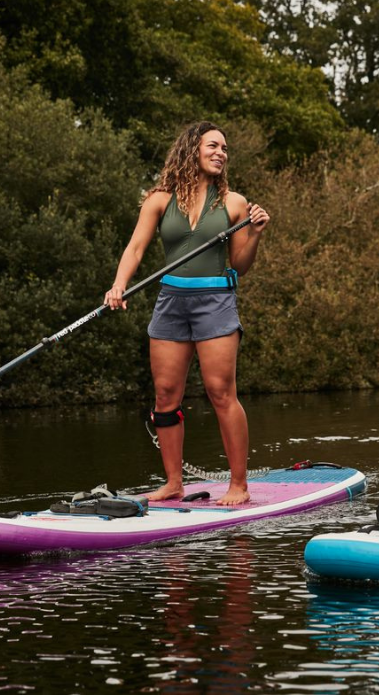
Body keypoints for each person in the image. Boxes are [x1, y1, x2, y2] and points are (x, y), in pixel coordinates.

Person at [105, 121, 270, 505]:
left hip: (215, 301)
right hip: (171, 303)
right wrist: (118, 285)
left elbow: (241, 264)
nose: (221, 153)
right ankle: (173, 483)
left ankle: (239, 485)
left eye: (225, 149)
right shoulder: (159, 200)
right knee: (165, 395)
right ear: (191, 149)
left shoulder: (234, 203)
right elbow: (135, 248)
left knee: (220, 392)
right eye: (213, 145)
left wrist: (257, 233)